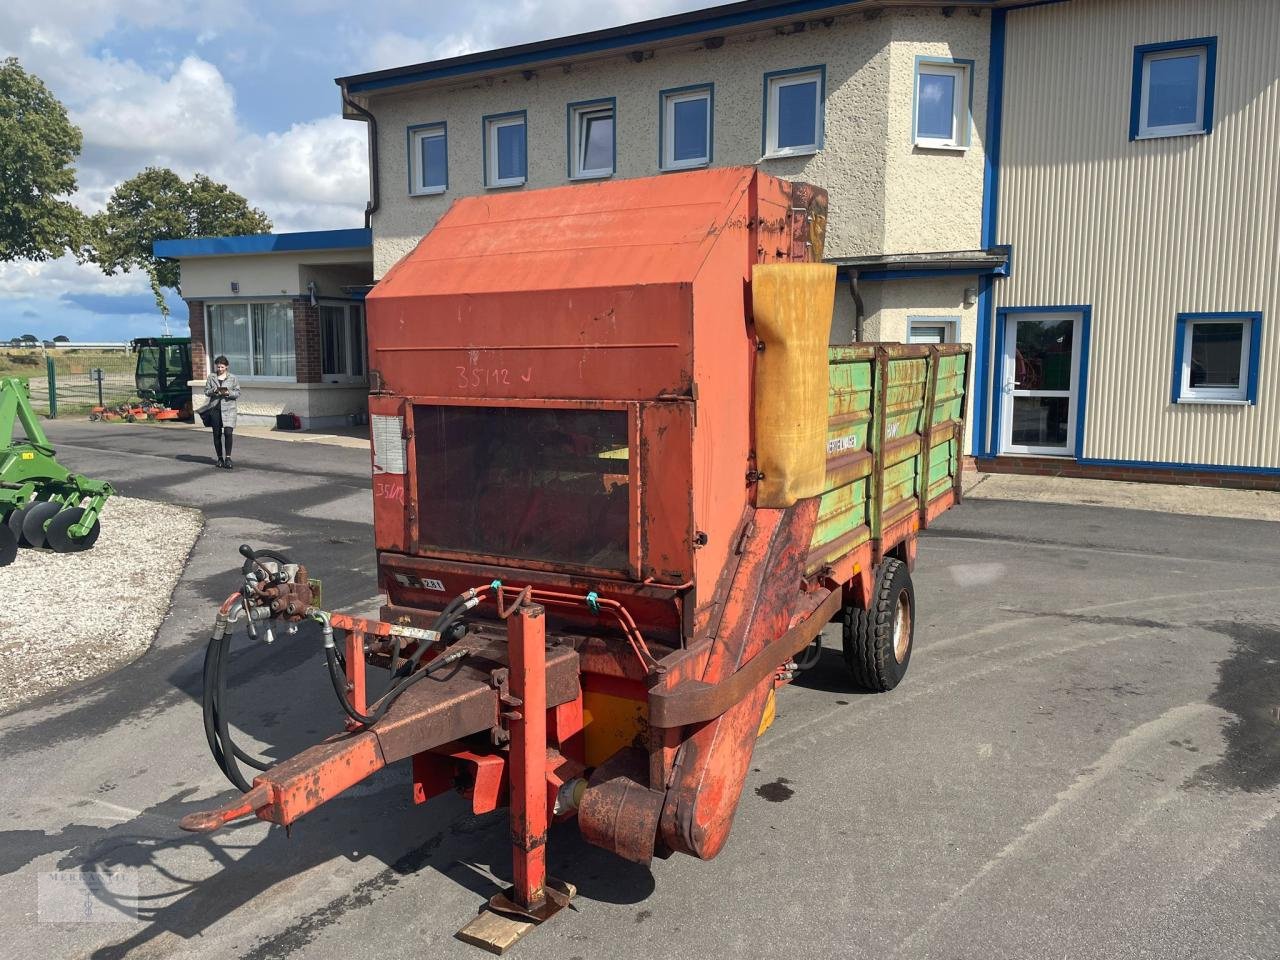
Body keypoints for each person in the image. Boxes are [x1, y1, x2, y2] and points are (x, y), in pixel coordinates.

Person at [204, 355, 241, 469]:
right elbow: (206, 391)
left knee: (228, 433)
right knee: (217, 434)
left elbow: (238, 393)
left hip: (229, 409)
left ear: (227, 367)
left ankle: (228, 458)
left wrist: (227, 393)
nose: (220, 369)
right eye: (218, 367)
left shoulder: (233, 378)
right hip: (215, 409)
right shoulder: (211, 377)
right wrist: (214, 391)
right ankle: (219, 458)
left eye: (222, 367)